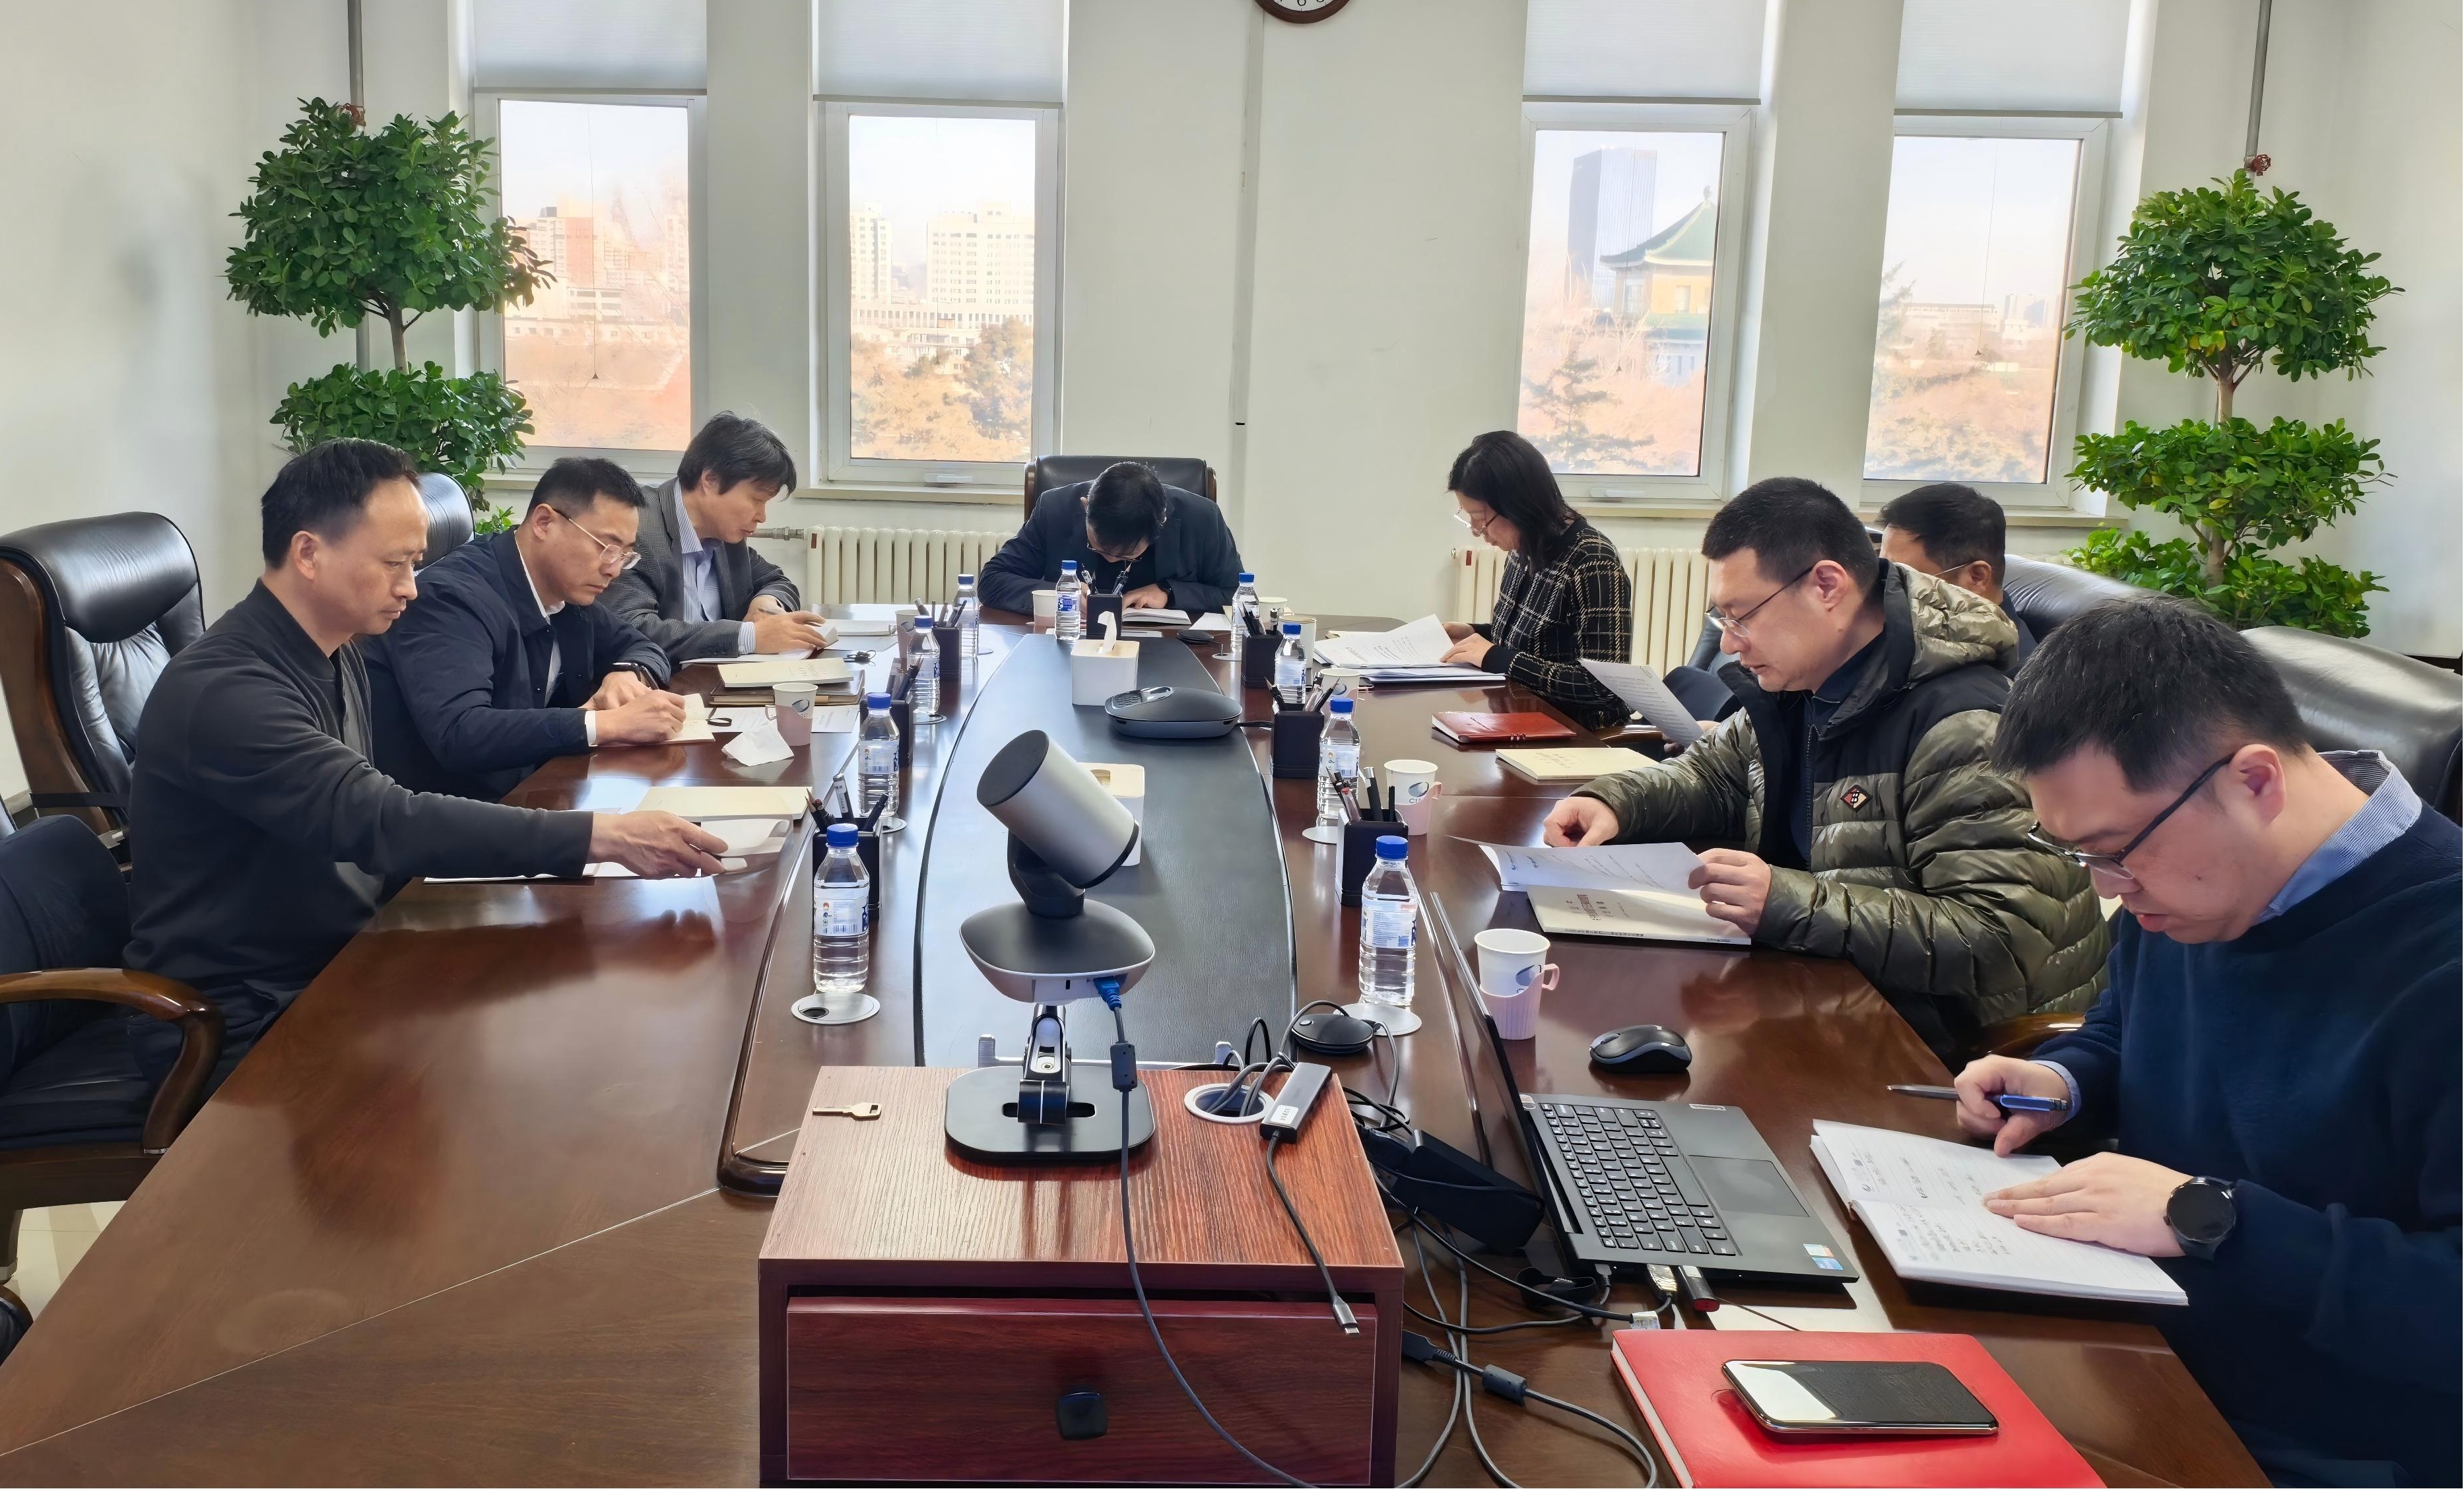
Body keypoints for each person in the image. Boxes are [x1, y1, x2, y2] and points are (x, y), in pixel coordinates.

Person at [1955, 599, 2458, 1488]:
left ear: (2254, 781)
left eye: (2115, 851)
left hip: (2310, 1444)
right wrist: (2065, 1082)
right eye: (2082, 856)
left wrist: (2210, 1216)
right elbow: (2127, 1026)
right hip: (2137, 1351)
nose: (2109, 889)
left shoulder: (2438, 960)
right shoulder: (2190, 886)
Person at [117, 440, 723, 1089]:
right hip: (240, 1015)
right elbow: (378, 818)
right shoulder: (228, 692)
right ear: (309, 554)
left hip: (342, 955)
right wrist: (608, 836)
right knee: (526, 1084)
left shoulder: (334, 647)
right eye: (395, 563)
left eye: (415, 562)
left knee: (585, 1011)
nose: (411, 586)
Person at [1541, 477, 2104, 1063]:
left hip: (1948, 1049)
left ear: (1826, 586)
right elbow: (1711, 774)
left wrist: (1785, 901)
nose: (1729, 645)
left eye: (1740, 617)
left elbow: (1998, 939)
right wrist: (1613, 801)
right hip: (1831, 988)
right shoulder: (1805, 680)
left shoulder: (1965, 726)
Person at [367, 457, 686, 803]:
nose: (614, 570)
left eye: (624, 555)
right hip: (454, 814)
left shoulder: (568, 594)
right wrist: (607, 725)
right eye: (606, 547)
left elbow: (644, 646)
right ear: (544, 522)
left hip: (542, 794)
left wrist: (626, 674)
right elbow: (461, 733)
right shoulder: (451, 599)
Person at [1438, 431, 1634, 732]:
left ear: (1517, 505)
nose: (1477, 531)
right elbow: (1536, 641)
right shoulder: (1523, 549)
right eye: (1469, 518)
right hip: (1520, 716)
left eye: (1480, 518)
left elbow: (1603, 687)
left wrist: (1496, 658)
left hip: (1574, 734)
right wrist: (1474, 632)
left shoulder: (1593, 562)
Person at [602, 412, 836, 662]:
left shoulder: (725, 535)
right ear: (710, 480)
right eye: (757, 500)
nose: (762, 517)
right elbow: (633, 629)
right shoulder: (635, 528)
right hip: (660, 681)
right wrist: (751, 636)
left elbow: (776, 580)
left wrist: (765, 605)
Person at [976, 461, 1242, 616]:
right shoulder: (1055, 508)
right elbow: (992, 581)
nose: (1112, 560)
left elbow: (1235, 593)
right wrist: (1059, 595)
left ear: (1160, 525)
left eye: (1128, 555)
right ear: (1086, 507)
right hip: (1070, 646)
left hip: (1169, 652)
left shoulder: (1201, 518)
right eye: (1098, 548)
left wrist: (1169, 592)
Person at [1877, 481, 2036, 672]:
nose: (1887, 588)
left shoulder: (2004, 680)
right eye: (1886, 571)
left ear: (1977, 577)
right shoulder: (1918, 636)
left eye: (1904, 577)